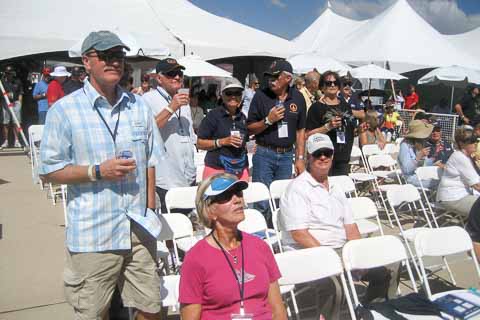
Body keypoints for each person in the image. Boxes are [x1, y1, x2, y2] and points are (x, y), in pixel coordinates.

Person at [38, 30, 163, 320]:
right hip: (94, 232)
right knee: (94, 312)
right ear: (86, 62)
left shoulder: (138, 107)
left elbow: (151, 161)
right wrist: (96, 171)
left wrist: (150, 210)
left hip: (138, 227)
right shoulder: (65, 111)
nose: (113, 62)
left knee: (151, 307)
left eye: (118, 56)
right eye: (104, 56)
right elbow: (49, 171)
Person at [279, 133, 399, 319]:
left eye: (327, 153)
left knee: (390, 265)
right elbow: (299, 235)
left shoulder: (336, 188)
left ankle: (372, 310)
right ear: (309, 157)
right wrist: (331, 259)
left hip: (341, 249)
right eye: (317, 153)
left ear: (333, 155)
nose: (323, 157)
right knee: (336, 286)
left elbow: (350, 227)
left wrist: (360, 254)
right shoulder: (297, 189)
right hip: (311, 253)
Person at [179, 173, 287, 320]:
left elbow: (278, 312)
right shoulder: (196, 259)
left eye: (238, 193)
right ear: (210, 210)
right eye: (227, 196)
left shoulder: (260, 247)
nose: (237, 200)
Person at [247, 60, 306, 225]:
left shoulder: (298, 98)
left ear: (288, 78)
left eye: (275, 77)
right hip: (265, 153)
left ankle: (277, 239)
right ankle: (260, 239)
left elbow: (301, 131)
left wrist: (300, 158)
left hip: (287, 155)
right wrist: (267, 120)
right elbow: (250, 128)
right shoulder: (261, 95)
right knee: (262, 201)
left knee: (281, 200)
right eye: (269, 77)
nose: (271, 81)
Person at [143, 58, 196, 214]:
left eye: (179, 73)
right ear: (159, 78)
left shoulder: (183, 100)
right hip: (167, 178)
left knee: (187, 225)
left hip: (188, 175)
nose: (177, 77)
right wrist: (171, 107)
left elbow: (190, 136)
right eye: (171, 74)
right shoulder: (147, 99)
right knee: (171, 229)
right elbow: (147, 131)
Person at [437, 127, 480, 261]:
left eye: (475, 141)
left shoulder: (467, 157)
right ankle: (473, 244)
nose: (475, 144)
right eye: (472, 142)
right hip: (452, 198)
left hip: (463, 195)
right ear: (462, 144)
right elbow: (477, 185)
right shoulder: (460, 157)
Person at [306, 71, 358, 176]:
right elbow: (308, 134)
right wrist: (327, 127)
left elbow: (352, 130)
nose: (333, 85)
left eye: (335, 83)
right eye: (329, 83)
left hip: (343, 158)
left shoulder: (345, 106)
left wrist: (360, 129)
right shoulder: (316, 108)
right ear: (322, 87)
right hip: (323, 158)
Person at [197, 81, 249, 181]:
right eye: (229, 93)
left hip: (240, 169)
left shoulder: (242, 117)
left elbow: (245, 142)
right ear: (222, 96)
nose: (233, 97)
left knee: (241, 197)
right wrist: (222, 142)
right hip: (217, 169)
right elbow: (199, 143)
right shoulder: (213, 116)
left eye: (237, 93)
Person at [397, 120, 436, 188]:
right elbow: (407, 170)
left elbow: (425, 164)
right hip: (411, 178)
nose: (426, 138)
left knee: (443, 179)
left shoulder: (418, 144)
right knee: (441, 183)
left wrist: (435, 162)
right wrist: (419, 157)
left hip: (421, 174)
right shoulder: (405, 146)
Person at [1, 66, 24, 148]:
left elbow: (21, 93)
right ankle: (6, 141)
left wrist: (20, 103)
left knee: (16, 122)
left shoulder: (17, 81)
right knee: (5, 122)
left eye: (10, 73)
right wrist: (5, 95)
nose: (9, 75)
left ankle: (17, 141)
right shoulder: (2, 82)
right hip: (6, 103)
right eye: (7, 73)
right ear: (5, 74)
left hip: (16, 103)